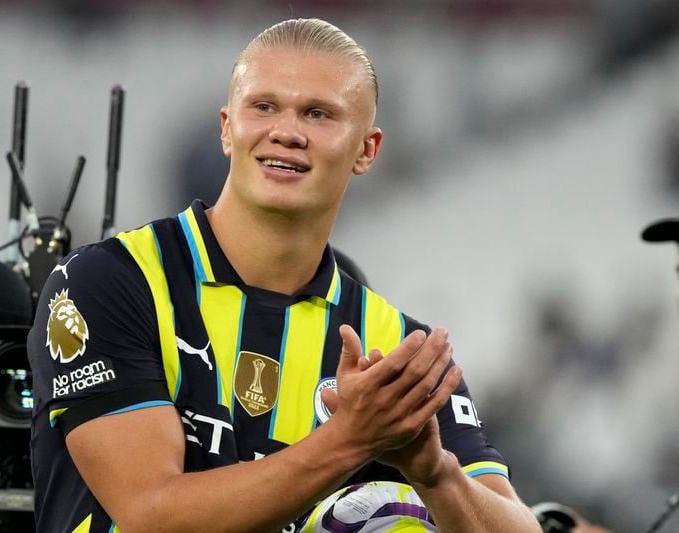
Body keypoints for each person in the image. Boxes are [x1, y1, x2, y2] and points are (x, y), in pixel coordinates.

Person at [27, 18, 541, 532]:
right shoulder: (110, 284)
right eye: (264, 106)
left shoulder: (395, 346)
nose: (287, 132)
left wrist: (435, 474)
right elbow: (152, 514)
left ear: (367, 149)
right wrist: (351, 440)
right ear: (227, 127)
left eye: (318, 114)